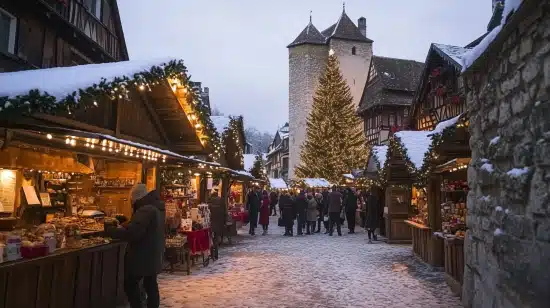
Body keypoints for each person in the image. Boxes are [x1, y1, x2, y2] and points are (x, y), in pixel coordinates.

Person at [106, 184, 165, 308]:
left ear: (136, 198)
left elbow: (133, 233)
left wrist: (110, 230)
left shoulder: (145, 210)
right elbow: (142, 228)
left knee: (130, 283)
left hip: (143, 255)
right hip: (152, 254)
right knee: (151, 285)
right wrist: (126, 223)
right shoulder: (155, 207)